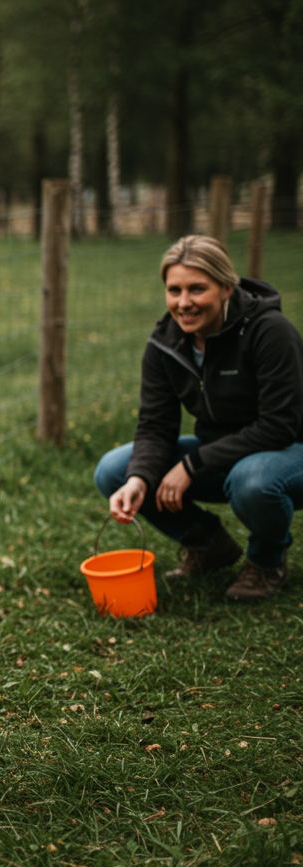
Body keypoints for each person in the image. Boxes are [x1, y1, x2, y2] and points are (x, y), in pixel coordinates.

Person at [94, 235, 303, 602]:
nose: (184, 302)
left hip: (288, 452)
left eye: (197, 289)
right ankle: (209, 545)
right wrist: (139, 478)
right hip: (221, 453)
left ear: (226, 288)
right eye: (174, 290)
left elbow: (279, 426)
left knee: (251, 480)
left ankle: (266, 562)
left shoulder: (270, 331)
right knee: (115, 471)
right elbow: (156, 425)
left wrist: (192, 465)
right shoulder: (165, 344)